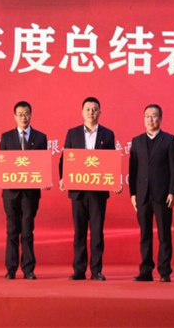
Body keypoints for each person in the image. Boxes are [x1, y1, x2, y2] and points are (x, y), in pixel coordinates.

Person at [59, 97, 121, 281]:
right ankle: (79, 270)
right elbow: (65, 159)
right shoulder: (73, 133)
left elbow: (111, 161)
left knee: (97, 232)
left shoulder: (107, 134)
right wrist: (63, 177)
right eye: (87, 109)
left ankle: (96, 270)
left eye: (94, 109)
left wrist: (115, 180)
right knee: (79, 232)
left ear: (100, 112)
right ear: (82, 112)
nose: (91, 112)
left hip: (98, 192)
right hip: (78, 191)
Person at [0, 101, 48, 280]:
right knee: (11, 230)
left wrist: (45, 179)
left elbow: (43, 164)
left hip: (30, 193)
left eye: (26, 114)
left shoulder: (40, 137)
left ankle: (28, 269)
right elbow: (1, 163)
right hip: (10, 192)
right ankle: (11, 269)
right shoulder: (6, 137)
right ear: (14, 116)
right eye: (20, 114)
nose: (23, 117)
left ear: (31, 115)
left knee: (27, 230)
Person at [129, 104, 174, 282]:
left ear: (161, 118)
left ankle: (164, 272)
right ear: (143, 119)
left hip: (163, 195)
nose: (150, 119)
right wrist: (133, 194)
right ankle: (145, 271)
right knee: (145, 234)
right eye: (147, 116)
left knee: (164, 234)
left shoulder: (169, 140)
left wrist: (173, 192)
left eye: (154, 116)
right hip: (142, 195)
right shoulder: (136, 141)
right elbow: (133, 170)